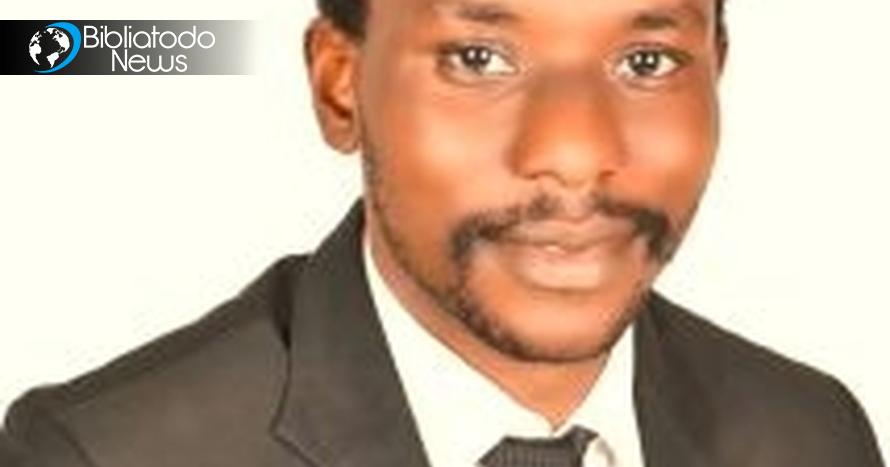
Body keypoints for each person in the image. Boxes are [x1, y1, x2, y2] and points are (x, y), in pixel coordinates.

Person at [1, 0, 884, 465]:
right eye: (478, 59)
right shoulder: (105, 456)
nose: (574, 154)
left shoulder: (811, 434)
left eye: (645, 62)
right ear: (340, 86)